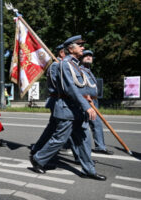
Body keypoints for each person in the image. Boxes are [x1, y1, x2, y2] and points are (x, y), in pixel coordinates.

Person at [30, 35, 106, 181]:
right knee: (59, 139)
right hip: (67, 109)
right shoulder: (64, 64)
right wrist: (86, 106)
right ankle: (38, 159)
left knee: (84, 140)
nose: (83, 47)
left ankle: (88, 170)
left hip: (78, 109)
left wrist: (88, 98)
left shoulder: (77, 65)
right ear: (71, 48)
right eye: (80, 45)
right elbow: (70, 88)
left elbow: (82, 85)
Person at [31, 44, 65, 154]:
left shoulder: (63, 64)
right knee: (57, 127)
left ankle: (38, 148)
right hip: (57, 100)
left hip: (62, 100)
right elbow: (57, 85)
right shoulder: (56, 65)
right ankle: (39, 151)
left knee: (56, 127)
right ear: (61, 53)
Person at [80, 50, 113, 155]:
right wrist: (86, 97)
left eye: (90, 56)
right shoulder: (79, 70)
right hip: (86, 100)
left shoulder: (89, 71)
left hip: (94, 100)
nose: (89, 57)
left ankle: (100, 147)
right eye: (86, 56)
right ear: (81, 58)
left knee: (97, 123)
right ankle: (67, 145)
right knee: (80, 126)